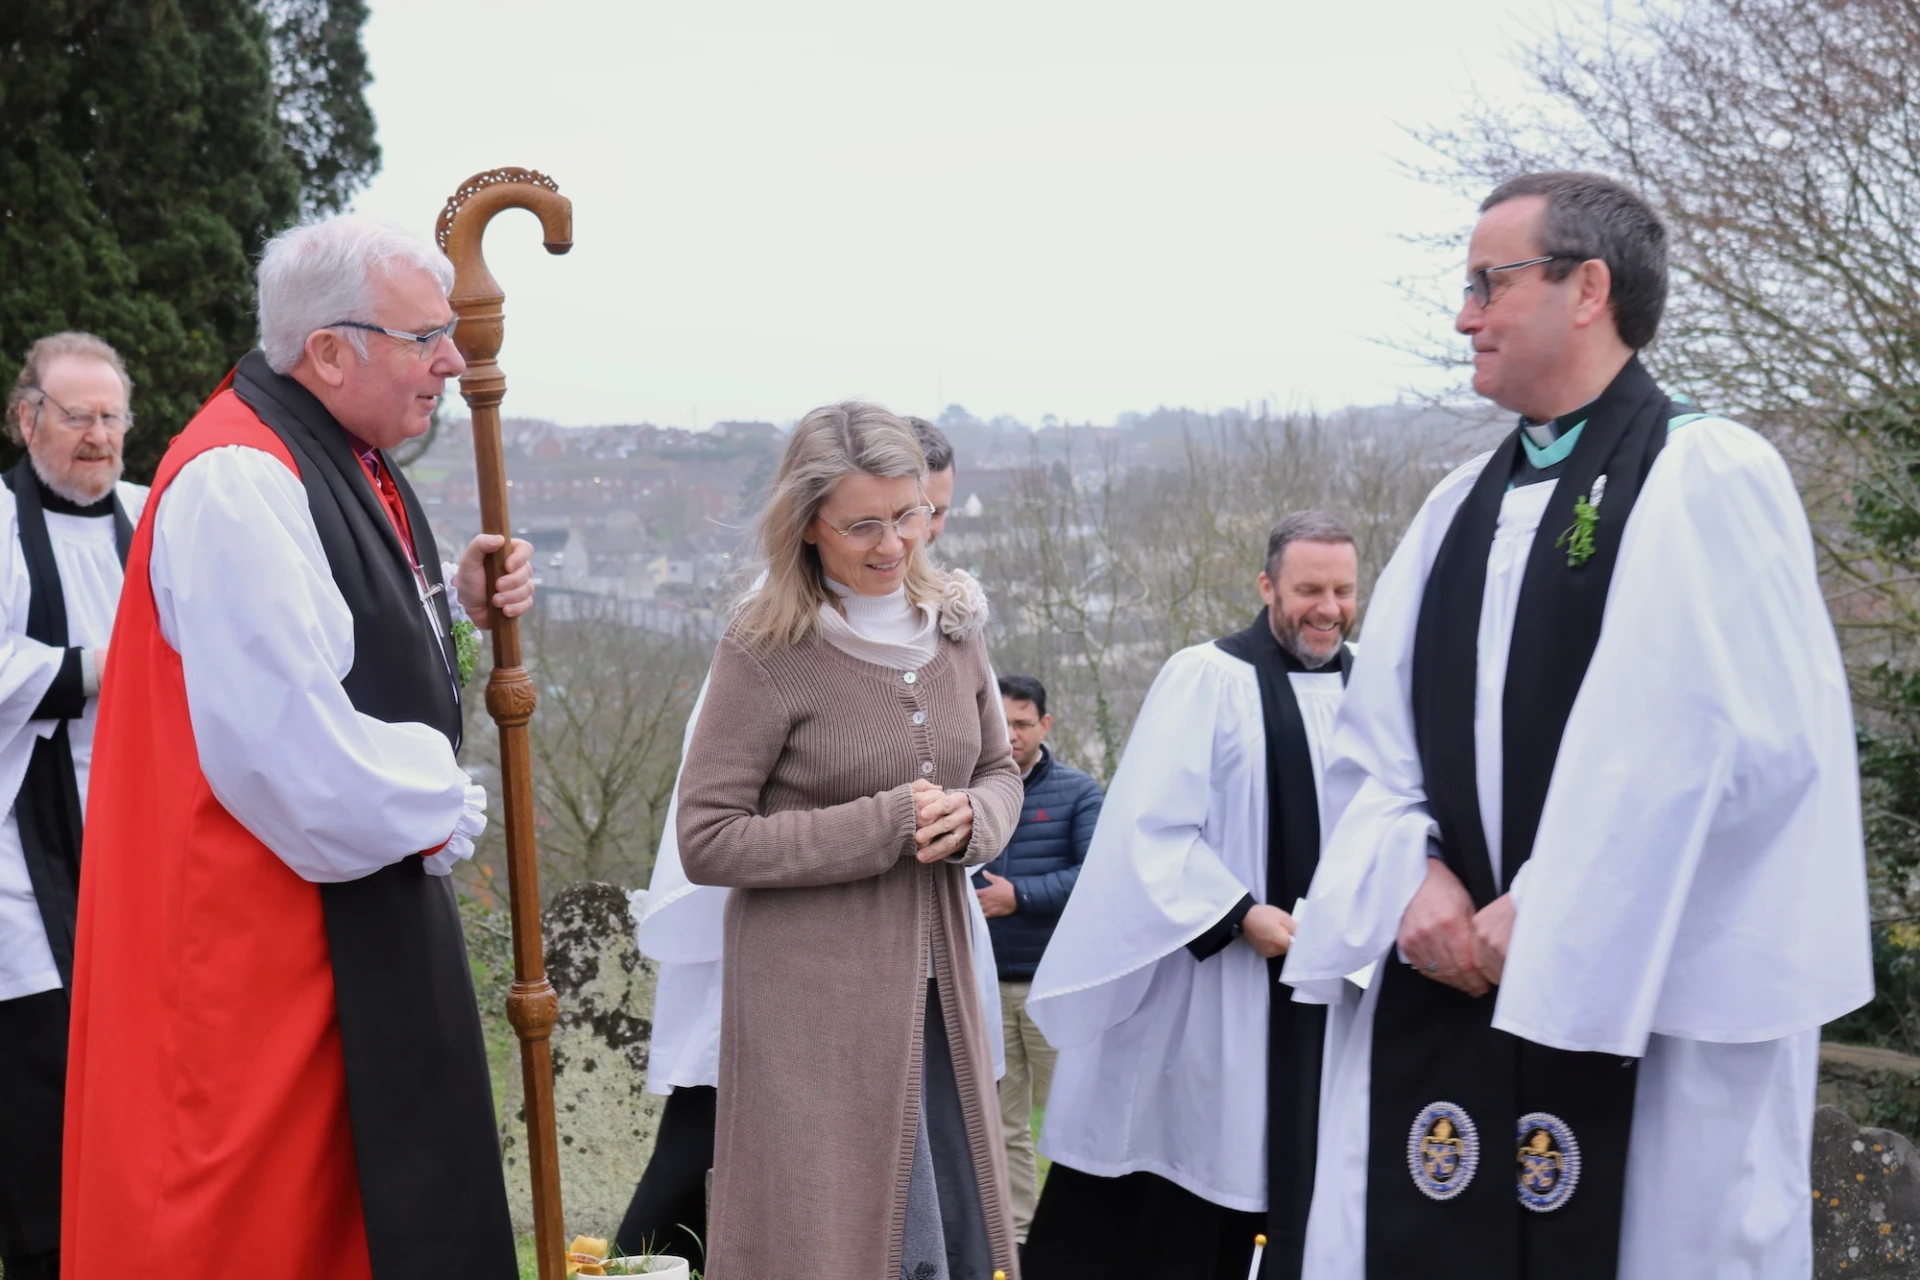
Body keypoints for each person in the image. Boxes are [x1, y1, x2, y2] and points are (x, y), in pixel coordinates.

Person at [1281, 172, 1872, 1280]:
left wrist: (1552, 908)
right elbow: (1375, 744)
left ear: (1588, 288)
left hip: (1649, 1011)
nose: (1464, 315)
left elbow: (1730, 749)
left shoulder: (1709, 474)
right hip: (1446, 975)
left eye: (1487, 283)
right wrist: (1413, 873)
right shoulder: (1458, 505)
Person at [61, 215, 537, 1280]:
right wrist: (445, 800)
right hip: (269, 941)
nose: (453, 362)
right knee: (274, 1227)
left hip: (335, 907)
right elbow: (289, 754)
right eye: (426, 338)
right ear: (328, 350)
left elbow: (347, 645)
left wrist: (450, 606)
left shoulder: (329, 452)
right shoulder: (240, 477)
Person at [617, 415, 1005, 1265]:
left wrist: (975, 819)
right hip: (810, 1000)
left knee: (944, 1234)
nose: (893, 544)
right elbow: (708, 839)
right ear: (807, 526)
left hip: (937, 982)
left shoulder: (954, 627)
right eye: (863, 525)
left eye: (907, 516)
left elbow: (998, 769)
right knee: (825, 1238)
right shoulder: (765, 648)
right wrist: (883, 824)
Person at [1023, 513, 1361, 1280]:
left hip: (1336, 987)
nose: (1328, 609)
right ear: (1268, 585)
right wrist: (1240, 913)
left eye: (1343, 591)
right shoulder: (1206, 679)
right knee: (1194, 1176)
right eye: (1309, 589)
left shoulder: (1373, 684)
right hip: (1216, 988)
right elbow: (1147, 829)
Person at [0, 333, 146, 1280]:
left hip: (144, 843)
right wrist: (106, 666)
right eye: (76, 417)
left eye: (111, 417)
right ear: (27, 419)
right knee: (45, 1098)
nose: (98, 437)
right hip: (24, 856)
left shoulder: (155, 513)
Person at [970, 673, 1102, 1245]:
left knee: (1074, 1120)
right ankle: (1019, 1240)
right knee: (1001, 1127)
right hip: (985, 986)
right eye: (1001, 724)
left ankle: (1085, 1239)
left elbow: (1096, 875)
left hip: (1053, 986)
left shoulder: (1079, 792)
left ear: (1044, 725)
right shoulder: (969, 792)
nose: (1011, 736)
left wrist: (1018, 896)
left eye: (1022, 724)